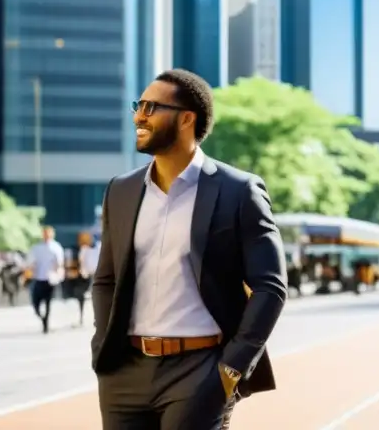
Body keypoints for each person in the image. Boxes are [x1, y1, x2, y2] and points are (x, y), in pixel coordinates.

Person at [92, 69, 288, 430]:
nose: (139, 116)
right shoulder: (120, 190)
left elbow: (270, 287)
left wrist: (232, 368)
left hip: (200, 370)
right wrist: (102, 348)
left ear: (186, 118)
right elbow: (106, 279)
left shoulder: (238, 191)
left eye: (151, 107)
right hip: (125, 374)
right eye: (139, 106)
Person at [27, 226, 64, 333]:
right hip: (38, 278)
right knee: (35, 302)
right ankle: (41, 316)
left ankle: (46, 324)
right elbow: (31, 262)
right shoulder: (37, 248)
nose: (46, 236)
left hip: (50, 279)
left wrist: (57, 273)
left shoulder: (56, 247)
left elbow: (59, 263)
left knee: (48, 302)